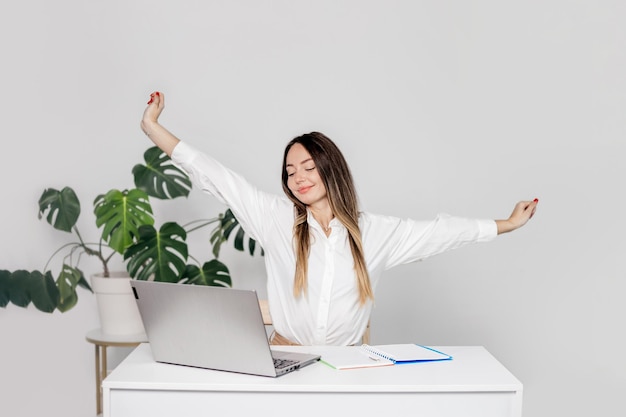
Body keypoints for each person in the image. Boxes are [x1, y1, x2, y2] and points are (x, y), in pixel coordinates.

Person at [141, 91, 538, 347]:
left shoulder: (375, 233)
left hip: (349, 366)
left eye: (308, 167)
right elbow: (216, 175)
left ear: (331, 170)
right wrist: (153, 128)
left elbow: (440, 233)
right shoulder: (275, 219)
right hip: (285, 358)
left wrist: (506, 224)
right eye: (290, 171)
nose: (298, 178)